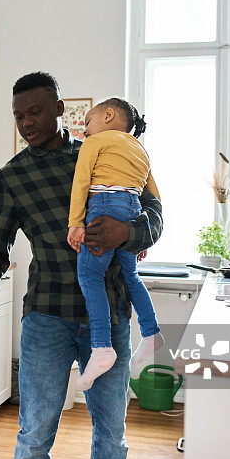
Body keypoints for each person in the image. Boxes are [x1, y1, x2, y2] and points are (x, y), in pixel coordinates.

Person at [0, 72, 163, 459]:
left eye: (36, 111)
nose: (26, 123)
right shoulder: (9, 179)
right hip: (47, 317)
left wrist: (127, 234)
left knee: (111, 438)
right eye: (18, 116)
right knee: (33, 438)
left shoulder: (104, 151)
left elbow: (153, 214)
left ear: (62, 109)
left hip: (110, 316)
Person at [67, 97, 165, 390]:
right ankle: (151, 333)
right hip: (132, 208)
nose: (85, 131)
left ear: (108, 115)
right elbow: (155, 198)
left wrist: (76, 223)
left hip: (103, 203)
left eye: (87, 123)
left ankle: (101, 348)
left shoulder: (94, 143)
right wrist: (139, 233)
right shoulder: (140, 150)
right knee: (130, 275)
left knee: (88, 274)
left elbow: (81, 182)